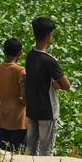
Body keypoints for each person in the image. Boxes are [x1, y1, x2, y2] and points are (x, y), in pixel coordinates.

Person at [25, 16, 70, 156]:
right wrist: (57, 85)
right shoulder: (50, 61)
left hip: (32, 110)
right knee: (46, 151)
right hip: (47, 112)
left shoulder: (30, 55)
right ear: (49, 35)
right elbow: (67, 85)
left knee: (31, 149)